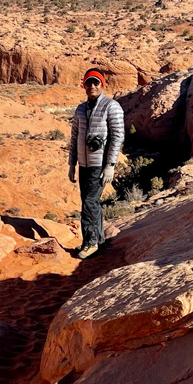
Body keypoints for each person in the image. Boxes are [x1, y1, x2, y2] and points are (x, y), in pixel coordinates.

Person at [67, 68, 124, 259]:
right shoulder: (81, 109)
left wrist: (111, 165)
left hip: (99, 165)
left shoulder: (111, 106)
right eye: (88, 82)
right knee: (91, 202)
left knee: (89, 203)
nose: (92, 86)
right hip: (84, 164)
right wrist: (71, 164)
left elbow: (117, 136)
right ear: (83, 84)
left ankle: (90, 243)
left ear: (102, 85)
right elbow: (74, 137)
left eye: (96, 83)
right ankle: (98, 240)